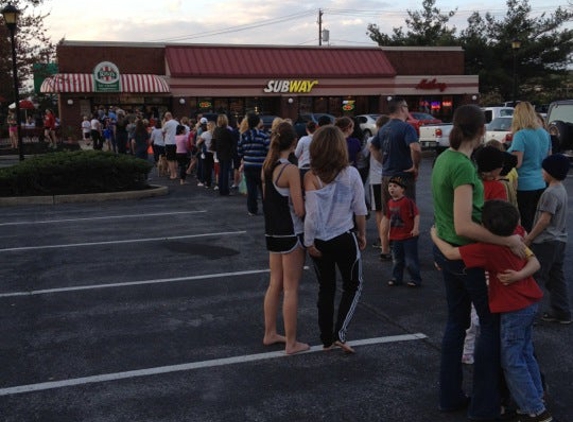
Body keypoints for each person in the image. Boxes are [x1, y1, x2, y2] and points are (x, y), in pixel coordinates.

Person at [431, 104, 524, 420]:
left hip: (450, 253)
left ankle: (450, 395)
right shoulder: (462, 167)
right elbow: (464, 225)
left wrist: (437, 240)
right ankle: (485, 405)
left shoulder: (445, 159)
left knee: (456, 322)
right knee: (490, 324)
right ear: (482, 131)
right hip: (466, 255)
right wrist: (507, 240)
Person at [431, 199, 551, 422]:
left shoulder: (485, 248)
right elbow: (534, 261)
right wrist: (519, 275)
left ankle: (535, 409)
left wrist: (435, 235)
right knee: (525, 352)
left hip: (512, 309)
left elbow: (450, 254)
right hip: (530, 303)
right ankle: (537, 396)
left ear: (484, 228)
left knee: (512, 359)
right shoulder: (516, 235)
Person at [303, 125, 368, 354]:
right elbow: (360, 209)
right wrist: (362, 234)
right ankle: (340, 332)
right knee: (353, 285)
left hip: (320, 239)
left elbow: (311, 214)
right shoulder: (351, 174)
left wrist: (308, 242)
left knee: (326, 288)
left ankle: (326, 339)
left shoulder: (311, 176)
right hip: (344, 236)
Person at [261, 121, 309, 355]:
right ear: (293, 143)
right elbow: (299, 209)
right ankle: (291, 342)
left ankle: (270, 332)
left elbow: (267, 200)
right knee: (290, 288)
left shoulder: (267, 166)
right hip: (291, 233)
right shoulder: (289, 169)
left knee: (275, 284)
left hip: (272, 232)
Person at [370, 97, 421, 261]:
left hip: (386, 175)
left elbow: (373, 146)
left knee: (387, 214)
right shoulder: (406, 128)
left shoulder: (384, 128)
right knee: (408, 213)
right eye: (407, 106)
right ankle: (406, 252)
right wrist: (415, 166)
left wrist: (383, 161)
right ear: (402, 109)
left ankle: (384, 249)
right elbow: (415, 148)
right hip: (403, 176)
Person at [525, 153, 571, 325]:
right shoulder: (562, 190)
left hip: (545, 242)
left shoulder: (549, 193)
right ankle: (562, 312)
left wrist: (529, 238)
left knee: (534, 277)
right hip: (559, 241)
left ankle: (528, 314)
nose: (542, 172)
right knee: (556, 277)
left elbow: (544, 219)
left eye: (544, 169)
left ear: (551, 171)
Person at [507, 101, 552, 232]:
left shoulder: (520, 135)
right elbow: (548, 157)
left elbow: (518, 162)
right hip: (541, 182)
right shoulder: (545, 133)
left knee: (525, 221)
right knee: (536, 220)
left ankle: (527, 248)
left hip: (524, 184)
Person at [386, 176, 421, 287]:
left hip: (408, 236)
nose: (392, 188)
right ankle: (396, 278)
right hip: (396, 237)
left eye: (395, 186)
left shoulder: (407, 202)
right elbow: (388, 218)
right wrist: (388, 233)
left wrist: (415, 228)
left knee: (411, 259)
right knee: (397, 259)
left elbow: (416, 215)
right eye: (390, 186)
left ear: (402, 189)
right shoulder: (390, 203)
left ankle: (415, 279)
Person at [237, 113, 270, 216]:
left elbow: (239, 152)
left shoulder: (243, 136)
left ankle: (252, 209)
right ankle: (267, 208)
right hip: (261, 166)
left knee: (251, 190)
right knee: (264, 188)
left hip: (248, 165)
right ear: (257, 123)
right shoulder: (263, 136)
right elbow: (268, 150)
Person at [367, 115, 390, 250]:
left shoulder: (371, 140)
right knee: (391, 209)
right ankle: (391, 237)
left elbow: (362, 157)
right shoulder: (391, 140)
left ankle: (382, 239)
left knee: (379, 211)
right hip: (390, 177)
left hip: (376, 179)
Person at [212, 114, 235, 195]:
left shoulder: (216, 130)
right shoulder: (228, 131)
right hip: (227, 153)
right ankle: (225, 190)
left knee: (221, 171)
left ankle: (221, 189)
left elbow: (214, 142)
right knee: (226, 172)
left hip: (219, 153)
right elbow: (233, 142)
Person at [162, 112, 179, 180]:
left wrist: (163, 123)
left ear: (167, 117)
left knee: (170, 160)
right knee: (175, 159)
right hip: (176, 142)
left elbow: (162, 131)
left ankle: (172, 174)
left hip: (169, 143)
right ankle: (176, 173)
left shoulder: (167, 123)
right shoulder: (177, 123)